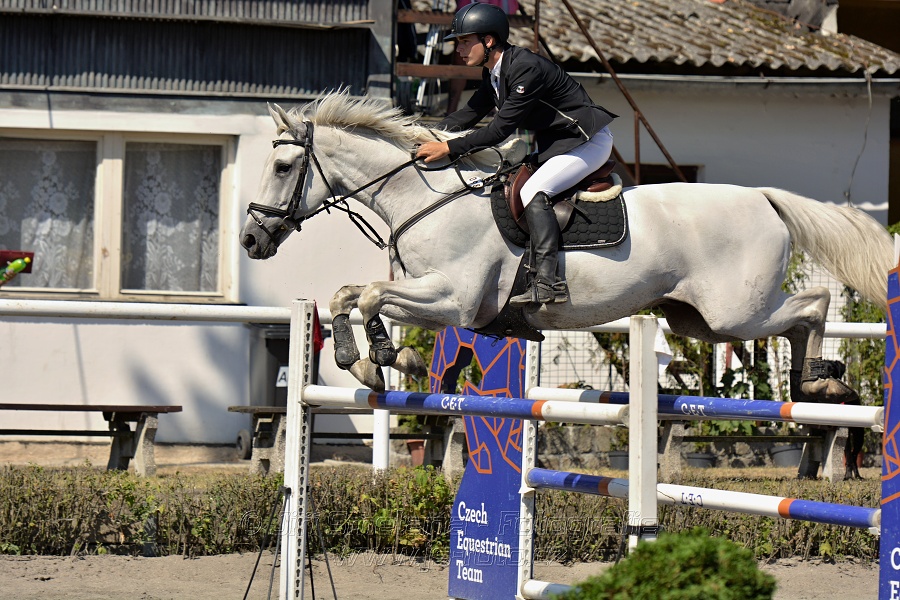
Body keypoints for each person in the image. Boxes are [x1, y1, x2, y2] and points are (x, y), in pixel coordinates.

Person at [416, 2, 616, 307]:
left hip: (585, 141)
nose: (458, 50)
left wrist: (448, 147)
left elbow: (499, 131)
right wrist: (421, 135)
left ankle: (549, 282)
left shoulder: (525, 68)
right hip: (558, 146)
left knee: (534, 190)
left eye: (464, 42)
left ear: (489, 40)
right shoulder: (494, 75)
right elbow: (468, 114)